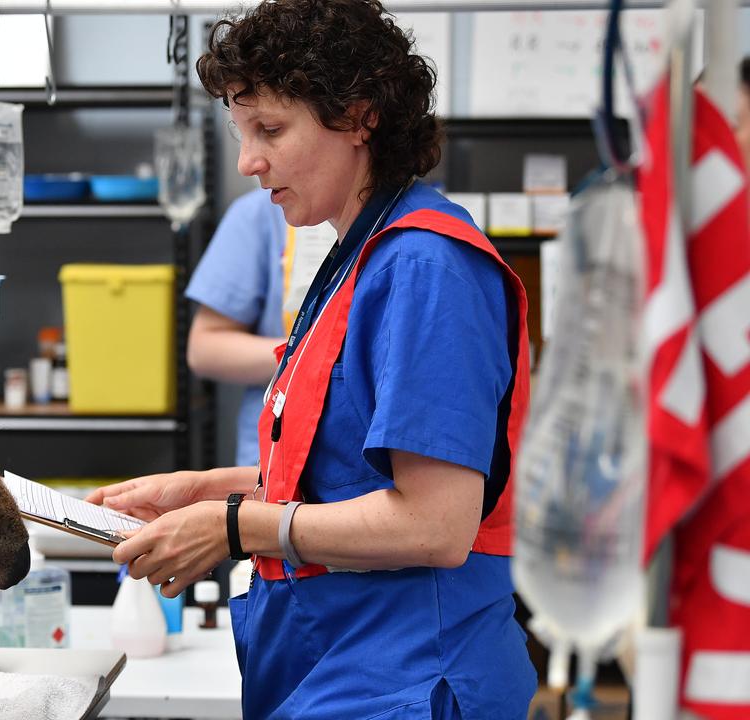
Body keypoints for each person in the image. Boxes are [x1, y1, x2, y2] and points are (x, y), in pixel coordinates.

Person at [89, 1, 537, 717]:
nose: (247, 161)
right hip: (345, 662)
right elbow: (344, 474)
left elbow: (435, 525)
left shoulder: (426, 267)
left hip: (410, 675)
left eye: (270, 129)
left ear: (360, 117)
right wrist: (203, 490)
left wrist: (236, 525)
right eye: (241, 132)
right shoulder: (357, 257)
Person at [187, 189, 337, 467]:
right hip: (278, 452)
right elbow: (204, 348)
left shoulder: (416, 228)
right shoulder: (261, 214)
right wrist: (316, 356)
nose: (249, 164)